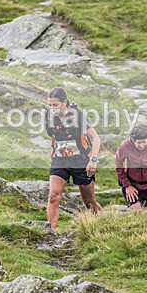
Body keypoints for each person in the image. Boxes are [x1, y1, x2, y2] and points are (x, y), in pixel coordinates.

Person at [45, 87, 103, 228]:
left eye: (55, 105)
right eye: (50, 105)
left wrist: (93, 160)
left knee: (89, 202)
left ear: (64, 103)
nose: (52, 108)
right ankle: (51, 233)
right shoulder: (48, 116)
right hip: (59, 160)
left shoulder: (77, 116)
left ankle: (106, 223)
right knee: (53, 196)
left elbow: (95, 138)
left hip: (81, 161)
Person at [114, 123, 147, 209]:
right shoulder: (124, 146)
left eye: (144, 142)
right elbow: (118, 165)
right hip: (132, 184)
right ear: (133, 140)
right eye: (139, 143)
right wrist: (127, 186)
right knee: (136, 210)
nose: (142, 145)